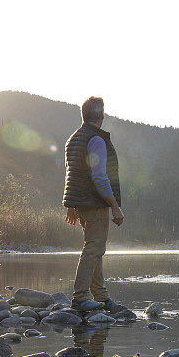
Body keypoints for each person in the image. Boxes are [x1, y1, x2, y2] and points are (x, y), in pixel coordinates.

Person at [63, 96, 126, 313]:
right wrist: (115, 206)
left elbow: (73, 173)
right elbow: (99, 176)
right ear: (101, 115)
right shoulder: (97, 140)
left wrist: (71, 205)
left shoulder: (73, 139)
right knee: (94, 248)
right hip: (95, 202)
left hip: (81, 203)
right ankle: (80, 297)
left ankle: (101, 296)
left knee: (95, 248)